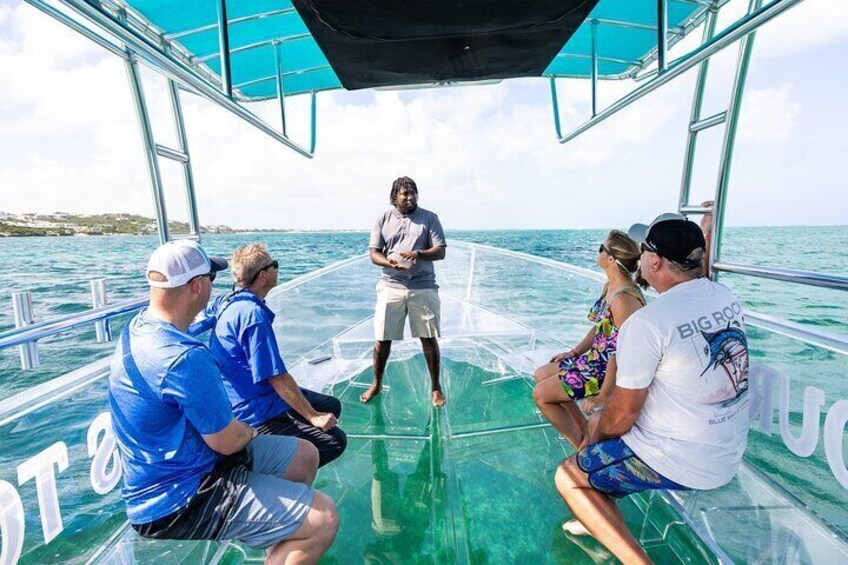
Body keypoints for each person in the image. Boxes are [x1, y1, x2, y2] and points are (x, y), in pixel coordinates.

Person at [108, 240, 338, 565]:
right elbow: (228, 440)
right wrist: (251, 432)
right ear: (198, 286)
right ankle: (289, 530)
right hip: (179, 496)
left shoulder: (138, 328)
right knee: (324, 518)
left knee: (305, 454)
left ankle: (276, 537)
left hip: (191, 459)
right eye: (211, 279)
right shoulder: (183, 357)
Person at [555, 213, 750, 565]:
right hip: (728, 453)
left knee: (571, 475)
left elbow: (623, 414)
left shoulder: (648, 323)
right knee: (601, 451)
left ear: (655, 261)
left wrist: (593, 433)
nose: (639, 258)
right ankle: (602, 515)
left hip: (683, 461)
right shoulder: (725, 297)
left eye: (644, 251)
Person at [201, 243, 348, 468]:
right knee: (335, 441)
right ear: (263, 276)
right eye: (274, 266)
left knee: (331, 405)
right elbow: (276, 377)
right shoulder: (253, 315)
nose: (277, 270)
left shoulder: (229, 301)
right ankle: (272, 467)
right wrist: (312, 417)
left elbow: (198, 319)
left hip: (244, 395)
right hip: (252, 410)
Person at [532, 230, 645, 448]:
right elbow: (600, 328)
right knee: (541, 374)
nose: (599, 251)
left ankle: (583, 449)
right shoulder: (610, 287)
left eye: (601, 248)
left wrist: (604, 395)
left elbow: (620, 353)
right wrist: (573, 353)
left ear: (611, 258)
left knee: (542, 395)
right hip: (595, 360)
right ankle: (584, 430)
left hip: (607, 370)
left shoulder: (624, 299)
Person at [360, 176, 447, 407]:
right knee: (382, 339)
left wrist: (419, 254)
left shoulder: (430, 218)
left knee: (428, 338)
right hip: (391, 286)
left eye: (413, 193)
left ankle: (436, 388)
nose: (410, 198)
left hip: (423, 286)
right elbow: (374, 253)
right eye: (404, 194)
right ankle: (377, 383)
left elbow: (440, 251)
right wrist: (389, 263)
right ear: (394, 196)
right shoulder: (382, 218)